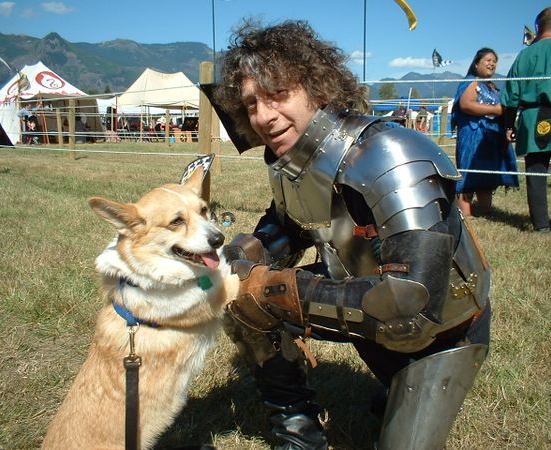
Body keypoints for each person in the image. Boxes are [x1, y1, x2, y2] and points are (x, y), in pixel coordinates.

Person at [210, 20, 492, 450]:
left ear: (316, 87)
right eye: (251, 103)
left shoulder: (389, 155)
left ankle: (398, 385)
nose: (264, 116)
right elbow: (285, 227)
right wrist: (238, 256)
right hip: (367, 311)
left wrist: (276, 289)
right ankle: (297, 431)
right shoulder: (291, 161)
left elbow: (412, 303)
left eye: (278, 93)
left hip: (438, 334)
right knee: (239, 295)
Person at [502, 5, 551, 234]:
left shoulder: (525, 55)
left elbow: (511, 94)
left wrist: (509, 124)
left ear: (537, 27)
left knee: (536, 175)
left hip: (532, 120)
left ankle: (541, 227)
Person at [451, 48, 519, 217]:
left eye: (494, 61)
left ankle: (486, 212)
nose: (492, 64)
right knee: (469, 173)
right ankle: (465, 216)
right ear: (476, 63)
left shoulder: (492, 87)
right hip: (473, 135)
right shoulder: (471, 82)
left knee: (487, 174)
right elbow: (466, 104)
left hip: (491, 136)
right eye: (488, 60)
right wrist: (495, 110)